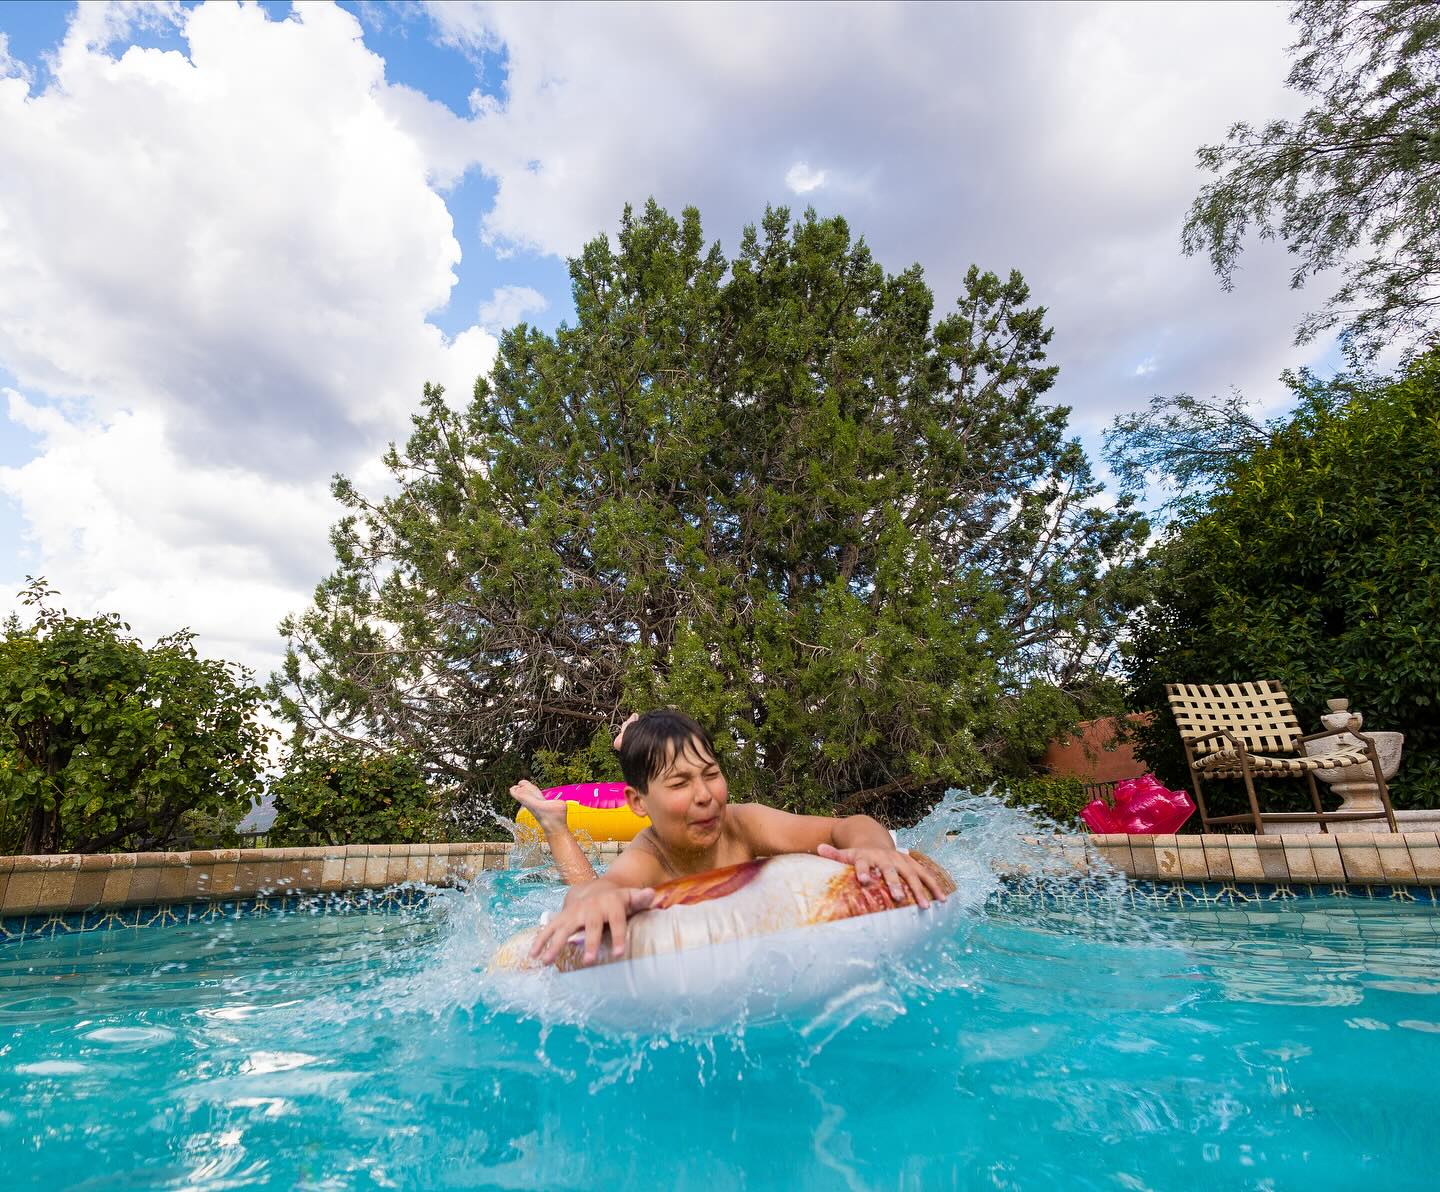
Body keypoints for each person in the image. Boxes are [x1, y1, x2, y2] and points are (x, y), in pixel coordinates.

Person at [509, 708, 949, 968]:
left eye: (712, 775)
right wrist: (598, 897)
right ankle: (555, 823)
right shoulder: (651, 852)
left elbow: (846, 826)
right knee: (588, 889)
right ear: (638, 803)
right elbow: (597, 894)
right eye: (680, 784)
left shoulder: (743, 823)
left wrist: (874, 850)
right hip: (658, 894)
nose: (705, 796)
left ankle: (632, 741)